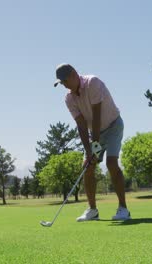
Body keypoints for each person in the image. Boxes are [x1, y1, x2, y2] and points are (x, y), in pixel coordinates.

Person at [54, 63, 131, 221]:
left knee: (111, 163)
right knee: (87, 167)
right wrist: (89, 151)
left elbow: (96, 116)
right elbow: (81, 125)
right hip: (95, 132)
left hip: (113, 125)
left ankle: (123, 209)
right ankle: (92, 210)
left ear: (74, 74)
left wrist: (95, 146)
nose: (64, 85)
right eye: (61, 83)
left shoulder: (93, 83)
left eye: (65, 81)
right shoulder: (69, 98)